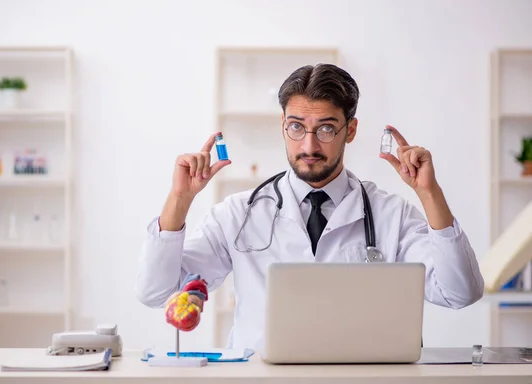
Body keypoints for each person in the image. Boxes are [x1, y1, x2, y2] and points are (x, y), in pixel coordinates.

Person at [135, 63, 484, 351]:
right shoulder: (238, 214)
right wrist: (179, 200)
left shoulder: (391, 214)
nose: (309, 144)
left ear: (351, 130)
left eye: (327, 129)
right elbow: (157, 292)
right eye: (297, 127)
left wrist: (429, 193)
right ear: (283, 126)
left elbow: (459, 293)